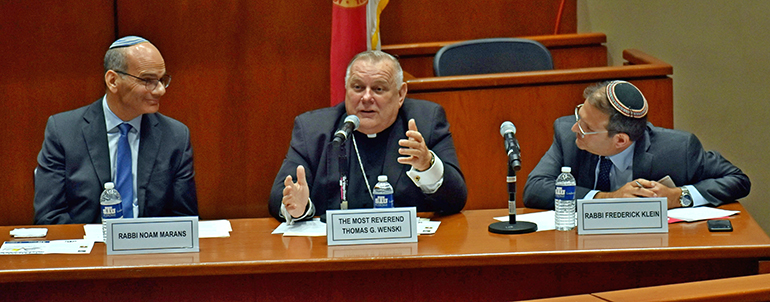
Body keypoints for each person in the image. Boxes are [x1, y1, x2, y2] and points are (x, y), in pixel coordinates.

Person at [269, 50, 467, 223]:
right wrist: (299, 207)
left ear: (400, 94)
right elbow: (281, 195)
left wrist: (428, 165)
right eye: (357, 88)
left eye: (378, 89)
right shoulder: (313, 130)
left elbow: (456, 199)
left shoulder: (426, 122)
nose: (366, 98)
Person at [34, 36, 198, 224]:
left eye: (162, 80)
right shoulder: (63, 131)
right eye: (148, 80)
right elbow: (48, 217)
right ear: (113, 81)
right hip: (89, 249)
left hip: (150, 249)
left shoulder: (175, 136)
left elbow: (185, 220)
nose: (160, 90)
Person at [523, 80, 750, 210]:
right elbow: (535, 189)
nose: (575, 129)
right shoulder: (567, 135)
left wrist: (677, 196)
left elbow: (737, 180)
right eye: (578, 116)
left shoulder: (678, 148)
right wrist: (607, 198)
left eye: (587, 127)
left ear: (620, 140)